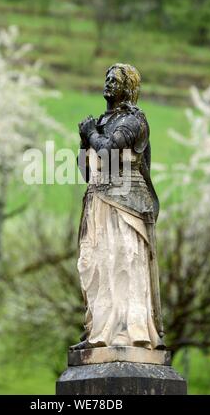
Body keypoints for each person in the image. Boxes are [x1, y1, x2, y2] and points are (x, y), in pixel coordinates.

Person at [71, 63, 165, 351]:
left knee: (122, 263)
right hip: (97, 203)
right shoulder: (101, 122)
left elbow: (109, 151)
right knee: (94, 264)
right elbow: (87, 170)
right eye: (106, 78)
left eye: (114, 80)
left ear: (127, 88)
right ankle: (98, 331)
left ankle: (126, 331)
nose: (108, 83)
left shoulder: (133, 121)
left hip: (125, 205)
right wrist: (84, 141)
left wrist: (90, 134)